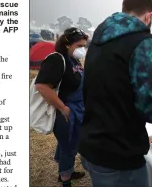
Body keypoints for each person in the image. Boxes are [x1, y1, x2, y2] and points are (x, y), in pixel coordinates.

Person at [79, 0, 152, 187]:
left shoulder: (101, 34)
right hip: (119, 153)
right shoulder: (143, 42)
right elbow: (149, 103)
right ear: (149, 16)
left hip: (92, 142)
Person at [35, 28, 89, 187]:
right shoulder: (57, 59)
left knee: (71, 143)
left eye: (84, 46)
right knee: (68, 147)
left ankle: (67, 171)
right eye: (79, 45)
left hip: (78, 111)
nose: (82, 49)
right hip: (65, 113)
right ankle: (66, 181)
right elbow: (42, 86)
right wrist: (63, 108)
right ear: (67, 44)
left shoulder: (74, 59)